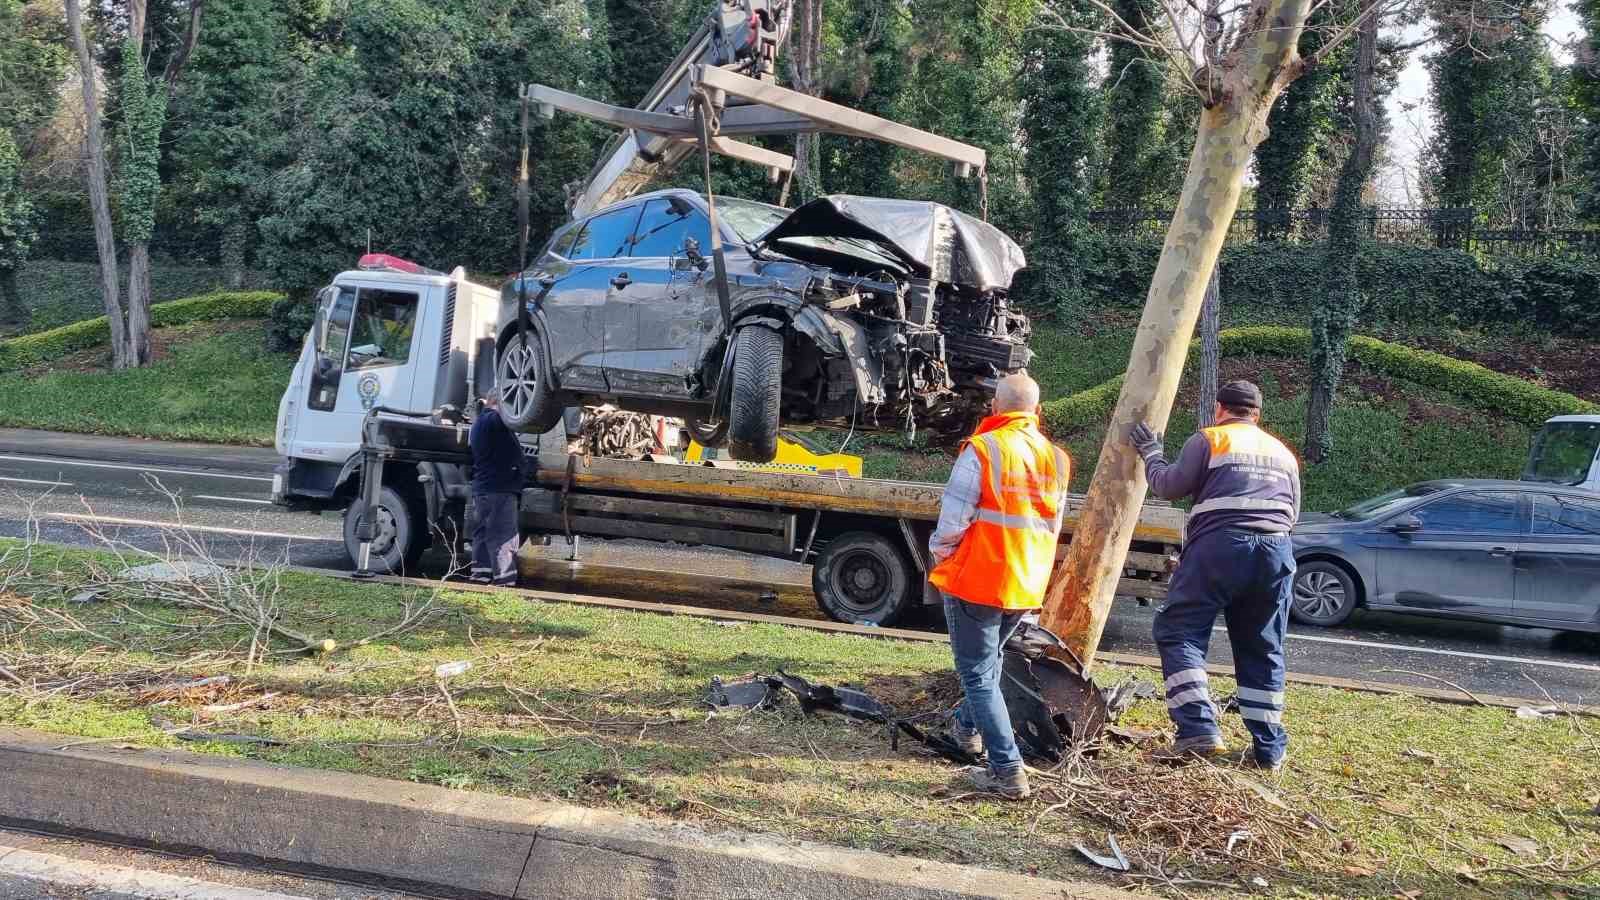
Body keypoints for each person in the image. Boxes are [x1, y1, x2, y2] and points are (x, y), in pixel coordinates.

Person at [1130, 380, 1301, 771]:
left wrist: (1151, 453)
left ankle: (1198, 728)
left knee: (1180, 631)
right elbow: (1292, 513)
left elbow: (1168, 486)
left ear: (1220, 409)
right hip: (1276, 550)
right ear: (1257, 415)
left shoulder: (1210, 439)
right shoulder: (1283, 453)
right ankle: (1269, 748)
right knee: (1262, 645)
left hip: (1221, 546)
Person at [927, 372, 1071, 800]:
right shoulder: (1056, 458)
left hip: (979, 578)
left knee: (977, 673)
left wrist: (942, 558)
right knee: (986, 666)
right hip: (1025, 581)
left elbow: (952, 521)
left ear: (994, 408)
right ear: (1037, 412)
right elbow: (1052, 526)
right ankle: (967, 730)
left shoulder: (985, 449)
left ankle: (1007, 770)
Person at [469, 388, 524, 585]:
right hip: (499, 489)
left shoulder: (480, 423)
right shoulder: (493, 420)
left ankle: (481, 575)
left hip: (485, 488)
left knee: (483, 534)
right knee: (502, 535)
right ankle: (505, 581)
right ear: (499, 403)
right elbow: (509, 419)